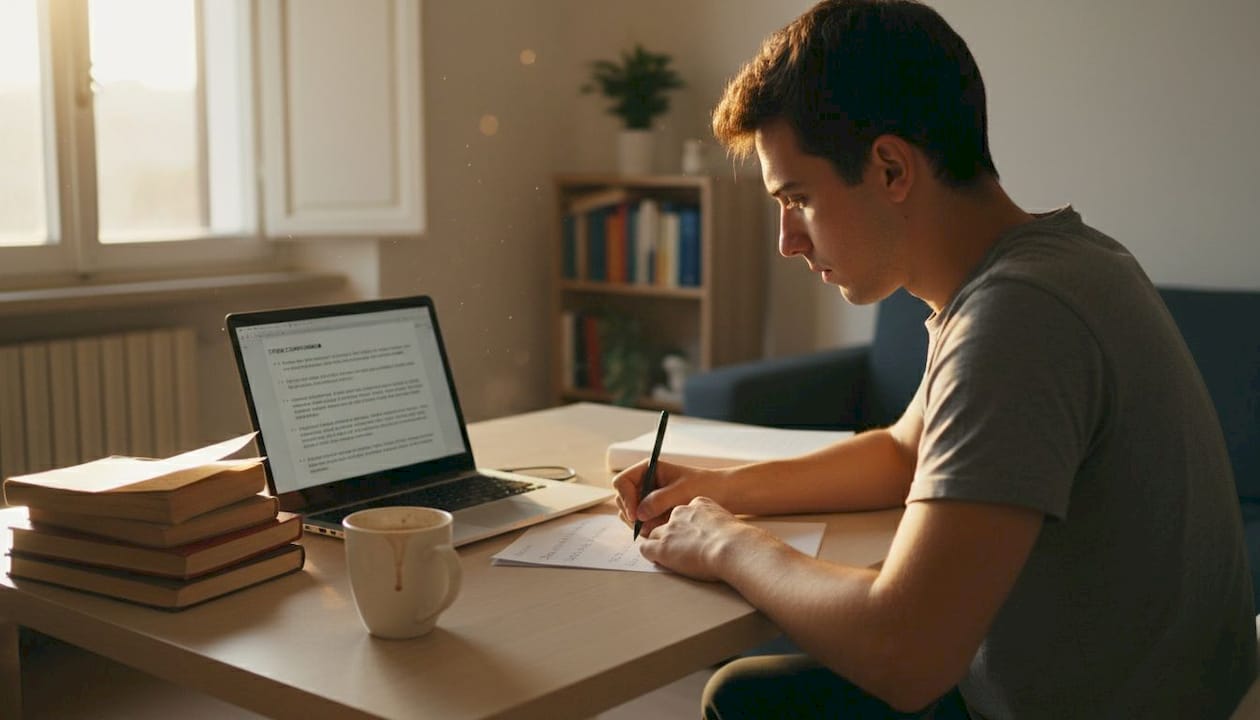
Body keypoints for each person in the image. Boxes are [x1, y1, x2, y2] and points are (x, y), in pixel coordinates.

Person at [611, 1, 1256, 718]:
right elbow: (901, 452)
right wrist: (718, 491)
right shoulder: (1058, 263)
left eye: (798, 199)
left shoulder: (1018, 318)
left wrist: (730, 546)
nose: (787, 241)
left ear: (890, 167)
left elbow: (905, 654)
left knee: (744, 701)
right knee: (745, 694)